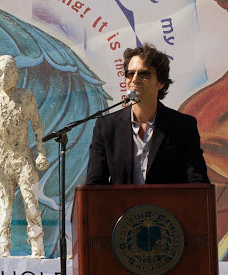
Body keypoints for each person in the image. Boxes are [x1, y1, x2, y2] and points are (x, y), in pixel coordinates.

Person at [86, 43, 210, 185]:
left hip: (167, 201)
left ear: (161, 82)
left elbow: (198, 181)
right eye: (130, 73)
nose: (134, 79)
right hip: (122, 201)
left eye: (144, 74)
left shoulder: (183, 126)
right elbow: (94, 184)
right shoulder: (106, 126)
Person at [0, 54, 49, 258]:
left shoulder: (26, 97)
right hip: (1, 162)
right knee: (4, 211)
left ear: (16, 75)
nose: (3, 78)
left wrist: (41, 153)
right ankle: (4, 254)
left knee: (31, 206)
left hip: (23, 159)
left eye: (8, 73)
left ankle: (38, 250)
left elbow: (38, 127)